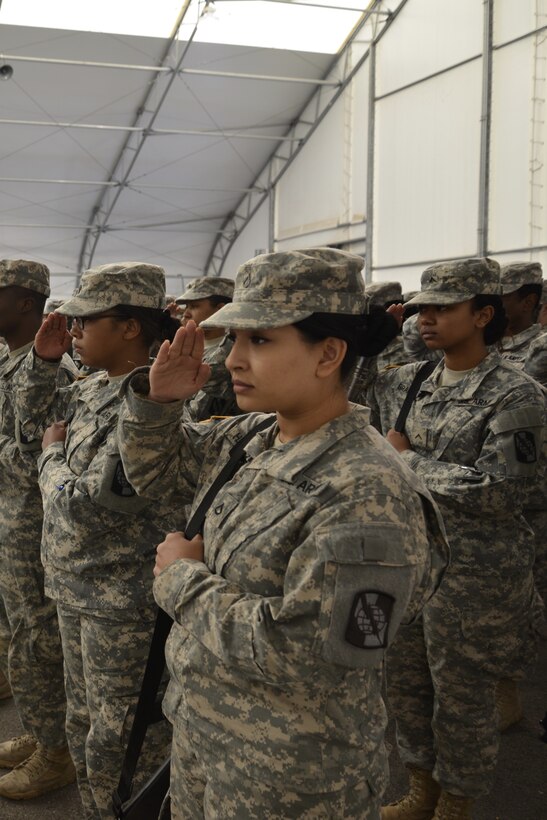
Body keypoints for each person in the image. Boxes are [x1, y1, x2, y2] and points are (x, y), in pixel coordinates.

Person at [116, 247, 449, 819]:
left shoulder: (365, 491)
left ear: (329, 353)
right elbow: (154, 473)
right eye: (235, 340)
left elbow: (309, 655)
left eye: (260, 341)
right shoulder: (255, 436)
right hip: (208, 737)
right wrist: (160, 402)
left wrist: (181, 579)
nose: (231, 361)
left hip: (289, 778)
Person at [360, 258, 546, 819]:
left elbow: (504, 491)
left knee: (461, 699)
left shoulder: (518, 395)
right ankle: (422, 788)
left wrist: (406, 460)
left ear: (483, 314)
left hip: (475, 573)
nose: (427, 319)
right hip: (412, 561)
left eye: (444, 308)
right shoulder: (411, 382)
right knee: (408, 687)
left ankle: (457, 803)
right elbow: (350, 414)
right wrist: (367, 343)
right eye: (422, 309)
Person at [13, 262, 185, 819]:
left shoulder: (152, 405)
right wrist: (41, 366)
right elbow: (26, 431)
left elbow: (89, 507)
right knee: (85, 724)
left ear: (131, 326)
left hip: (125, 604)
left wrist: (50, 460)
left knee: (125, 738)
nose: (74, 329)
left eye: (88, 319)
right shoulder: (91, 390)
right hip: (77, 588)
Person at [0, 259, 77, 800]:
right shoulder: (13, 363)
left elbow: (39, 458)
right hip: (12, 523)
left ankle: (57, 751)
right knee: (24, 636)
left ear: (26, 302)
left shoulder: (52, 370)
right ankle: (42, 728)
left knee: (39, 639)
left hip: (34, 528)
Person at [175, 276, 239, 421]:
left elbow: (196, 414)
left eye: (195, 306)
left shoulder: (230, 355)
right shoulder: (184, 346)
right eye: (187, 307)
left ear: (220, 310)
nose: (186, 313)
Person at [500, 261, 543, 367]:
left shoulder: (541, 349)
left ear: (528, 302)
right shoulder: (482, 342)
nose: (492, 305)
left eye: (502, 298)